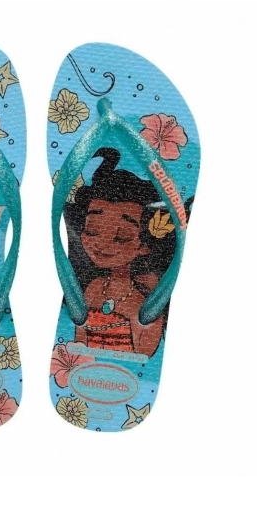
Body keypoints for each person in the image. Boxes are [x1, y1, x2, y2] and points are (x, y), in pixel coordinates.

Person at [65, 148, 192, 358]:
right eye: (92, 230)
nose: (101, 245)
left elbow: (144, 353)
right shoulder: (94, 288)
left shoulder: (148, 292)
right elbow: (79, 342)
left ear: (145, 245)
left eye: (122, 236)